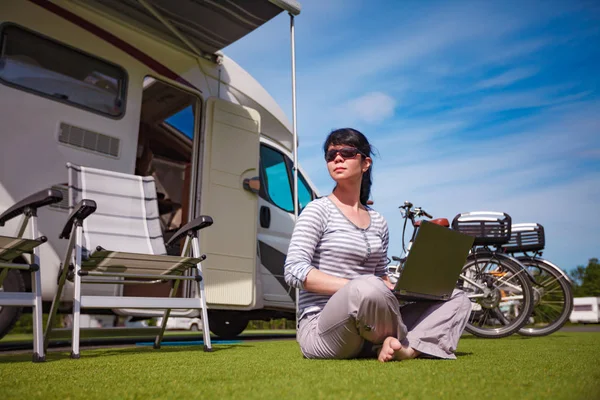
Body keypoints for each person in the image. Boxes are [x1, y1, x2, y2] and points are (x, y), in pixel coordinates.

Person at [284, 128, 472, 362]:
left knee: (457, 297)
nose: (338, 158)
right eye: (331, 156)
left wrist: (400, 288)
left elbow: (380, 276)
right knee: (367, 287)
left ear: (366, 163)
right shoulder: (316, 210)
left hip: (369, 323)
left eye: (347, 152)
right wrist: (356, 286)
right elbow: (293, 270)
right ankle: (404, 338)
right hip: (322, 330)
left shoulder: (379, 221)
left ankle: (405, 350)